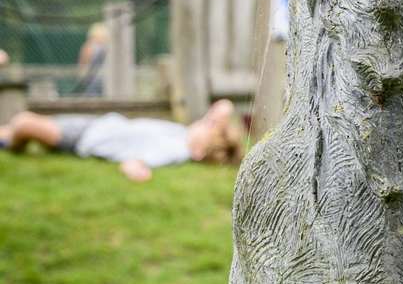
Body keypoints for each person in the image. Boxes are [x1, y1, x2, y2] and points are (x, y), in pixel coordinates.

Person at [0, 99, 243, 181]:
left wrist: (136, 170)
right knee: (17, 125)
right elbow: (221, 107)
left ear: (199, 152)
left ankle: (10, 144)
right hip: (95, 125)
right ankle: (7, 138)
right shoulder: (184, 135)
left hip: (82, 138)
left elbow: (136, 163)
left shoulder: (175, 149)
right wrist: (218, 121)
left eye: (207, 127)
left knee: (23, 123)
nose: (204, 122)